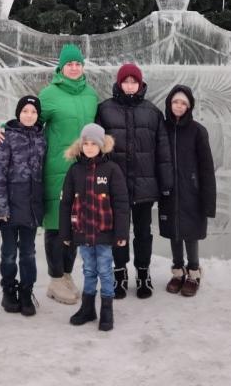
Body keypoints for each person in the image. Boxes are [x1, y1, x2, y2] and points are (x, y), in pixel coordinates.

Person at [0, 43, 98, 305]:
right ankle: (54, 279)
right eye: (69, 64)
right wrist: (3, 128)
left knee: (76, 223)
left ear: (82, 66)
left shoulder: (90, 95)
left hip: (82, 169)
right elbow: (28, 117)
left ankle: (66, 275)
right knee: (55, 224)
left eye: (78, 63)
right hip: (55, 170)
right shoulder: (50, 94)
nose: (74, 68)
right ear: (61, 67)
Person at [96, 63, 173, 299]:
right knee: (117, 232)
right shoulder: (105, 109)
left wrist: (166, 184)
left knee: (143, 232)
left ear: (140, 84)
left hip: (144, 185)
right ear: (119, 83)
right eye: (126, 81)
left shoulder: (152, 112)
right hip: (115, 187)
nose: (130, 86)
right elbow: (97, 146)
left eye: (134, 81)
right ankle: (119, 275)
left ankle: (143, 274)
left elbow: (163, 151)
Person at [59, 123, 129, 331]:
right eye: (86, 143)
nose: (89, 147)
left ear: (102, 145)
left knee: (105, 271)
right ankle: (88, 309)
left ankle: (107, 311)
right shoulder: (74, 170)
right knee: (89, 270)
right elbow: (65, 203)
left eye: (93, 144)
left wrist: (121, 233)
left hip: (105, 233)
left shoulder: (112, 170)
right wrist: (66, 232)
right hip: (82, 231)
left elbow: (121, 203)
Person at [0, 95, 46, 317]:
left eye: (33, 112)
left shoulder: (42, 137)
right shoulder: (7, 138)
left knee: (28, 253)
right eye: (25, 111)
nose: (29, 115)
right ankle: (8, 290)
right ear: (18, 113)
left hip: (31, 207)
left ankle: (26, 291)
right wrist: (1, 207)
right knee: (8, 252)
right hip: (11, 207)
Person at [158, 85, 216, 297]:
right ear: (169, 103)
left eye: (183, 103)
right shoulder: (162, 128)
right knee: (174, 232)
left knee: (191, 233)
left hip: (192, 192)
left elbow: (207, 168)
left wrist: (208, 200)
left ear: (189, 106)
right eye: (175, 102)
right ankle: (177, 272)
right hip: (170, 191)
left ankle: (193, 272)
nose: (179, 106)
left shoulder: (198, 131)